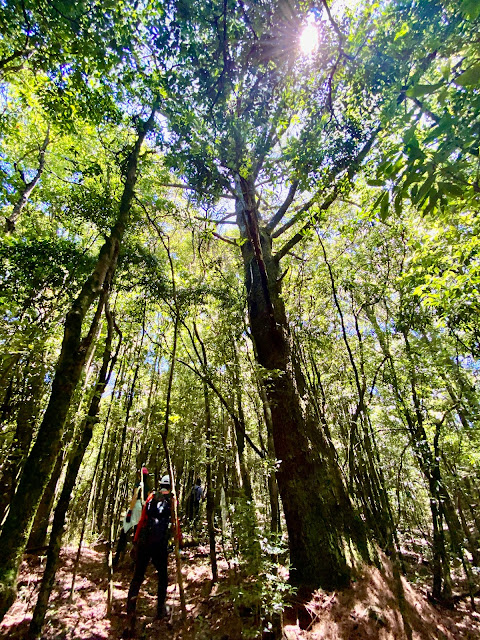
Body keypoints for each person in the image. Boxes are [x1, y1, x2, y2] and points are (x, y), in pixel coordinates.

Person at [124, 474, 177, 637]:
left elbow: (142, 520)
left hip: (145, 542)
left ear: (161, 484)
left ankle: (130, 611)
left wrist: (135, 540)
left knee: (137, 577)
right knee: (162, 576)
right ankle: (160, 610)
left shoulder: (151, 497)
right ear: (170, 486)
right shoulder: (172, 500)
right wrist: (178, 540)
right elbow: (175, 523)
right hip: (159, 545)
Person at [113, 467, 150, 569]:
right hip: (142, 509)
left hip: (136, 508)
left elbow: (134, 497)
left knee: (125, 530)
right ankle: (135, 561)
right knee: (137, 534)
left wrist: (129, 511)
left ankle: (117, 557)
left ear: (140, 475)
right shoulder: (147, 487)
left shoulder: (138, 485)